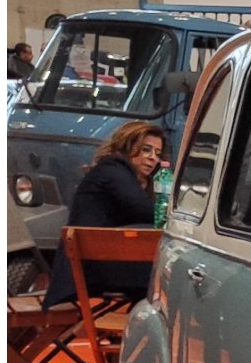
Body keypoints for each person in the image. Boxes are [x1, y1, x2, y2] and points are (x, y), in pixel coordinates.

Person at [43, 121, 167, 308]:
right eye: (146, 150)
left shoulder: (120, 173)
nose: (153, 159)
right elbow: (147, 211)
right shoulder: (113, 169)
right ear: (127, 145)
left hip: (95, 266)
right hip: (89, 271)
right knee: (172, 274)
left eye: (157, 154)